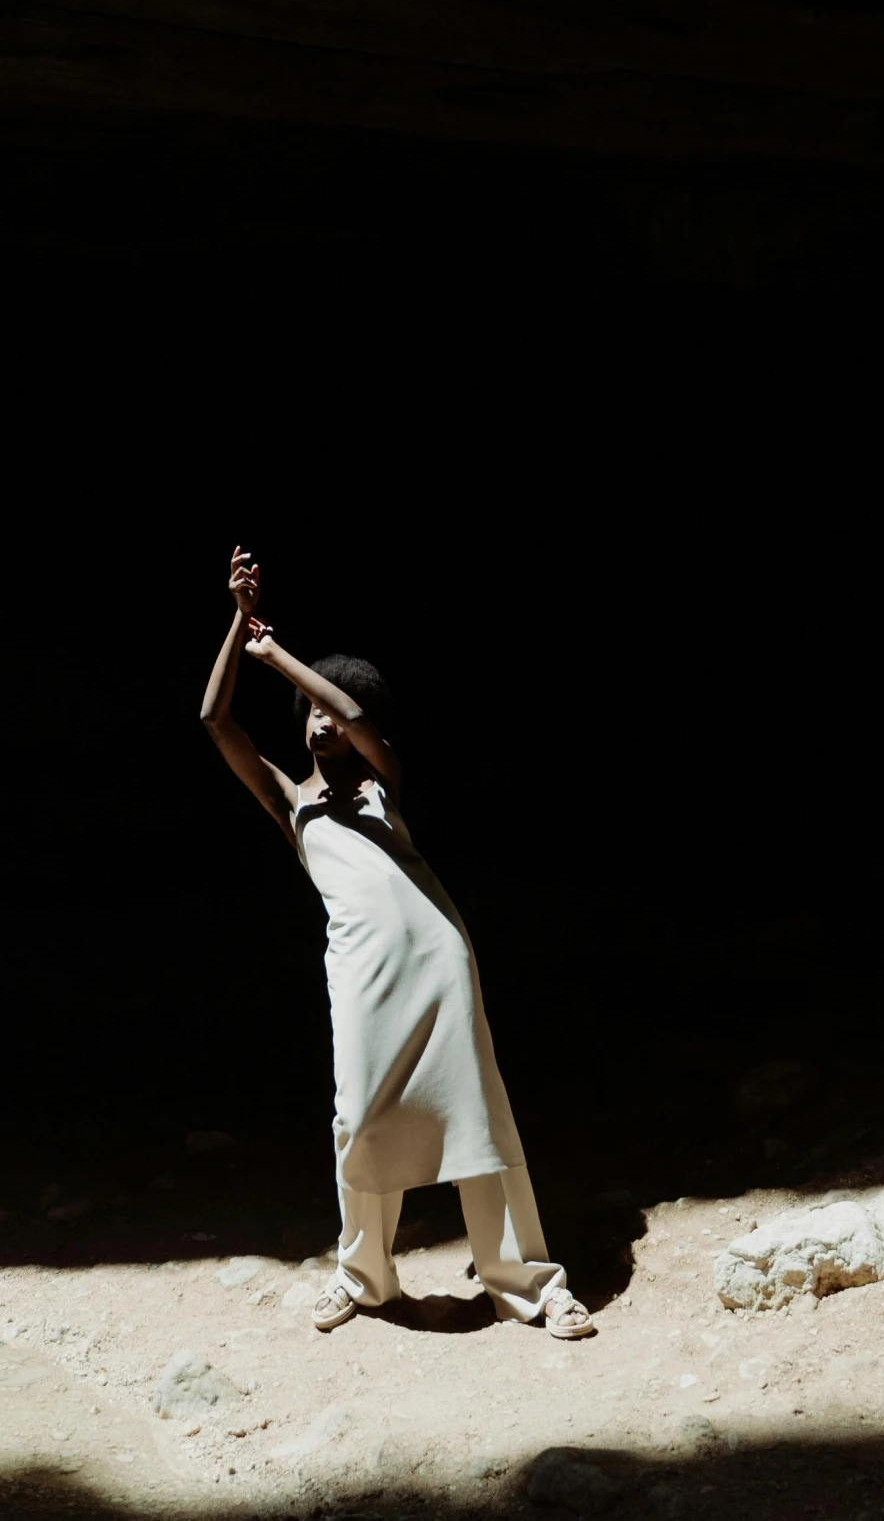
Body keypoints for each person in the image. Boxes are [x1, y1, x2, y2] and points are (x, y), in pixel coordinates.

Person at [199, 544, 594, 1340]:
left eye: (331, 710)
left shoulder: (382, 779)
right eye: (310, 709)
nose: (319, 719)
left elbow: (352, 715)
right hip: (358, 968)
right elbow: (213, 719)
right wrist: (236, 622)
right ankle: (364, 1278)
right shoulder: (289, 801)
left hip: (437, 960)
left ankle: (526, 1281)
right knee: (357, 1118)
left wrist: (275, 653)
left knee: (476, 1115)